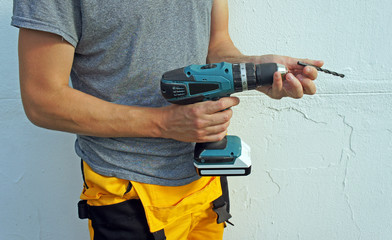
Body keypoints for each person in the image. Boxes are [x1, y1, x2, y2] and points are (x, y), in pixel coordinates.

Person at [12, 0, 322, 239]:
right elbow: (43, 100)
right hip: (128, 191)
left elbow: (215, 47)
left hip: (205, 177)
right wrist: (163, 123)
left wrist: (254, 70)